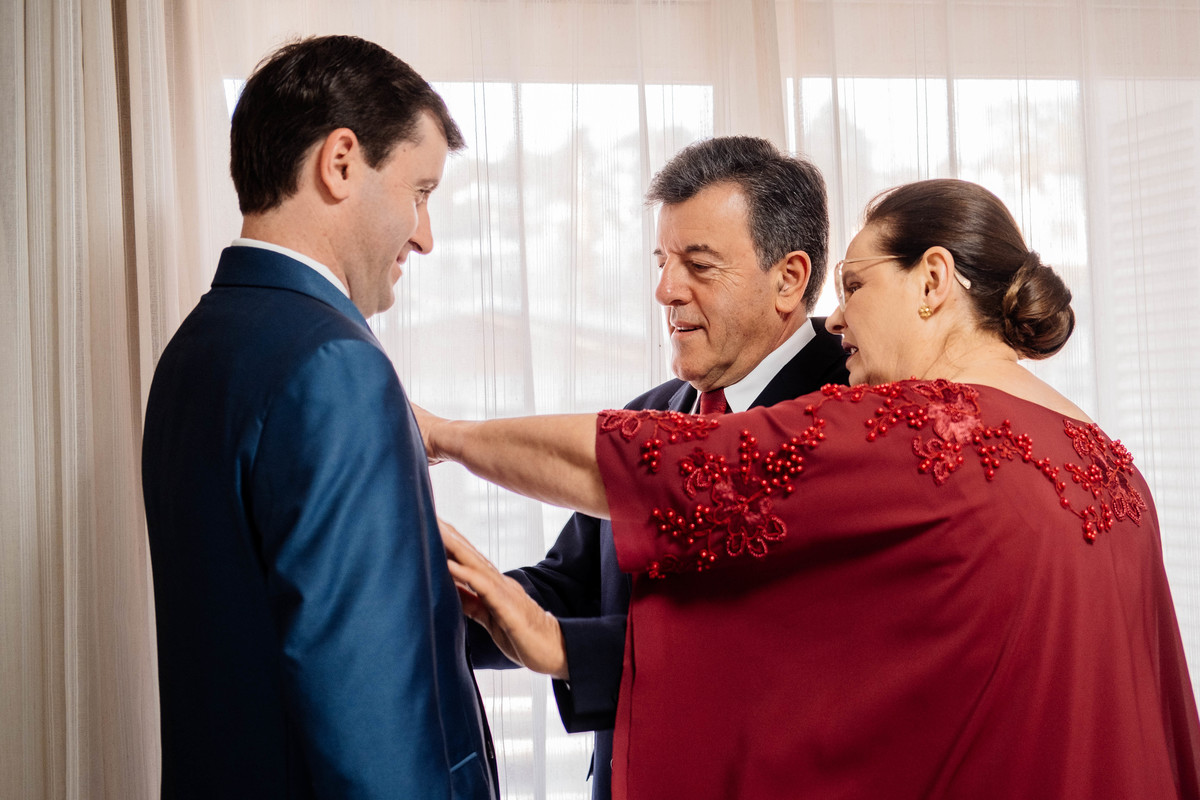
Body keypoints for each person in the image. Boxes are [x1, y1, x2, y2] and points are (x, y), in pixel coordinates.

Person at [422, 178, 1200, 799]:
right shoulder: (1107, 458)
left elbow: (672, 475)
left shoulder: (915, 427)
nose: (837, 319)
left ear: (933, 280)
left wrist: (445, 436)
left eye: (855, 286)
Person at [142, 36, 496, 799]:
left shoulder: (196, 349)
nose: (426, 237)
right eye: (421, 191)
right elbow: (371, 726)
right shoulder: (336, 367)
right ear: (340, 163)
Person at [465, 136, 847, 799]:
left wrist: (561, 646)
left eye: (698, 264)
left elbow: (781, 645)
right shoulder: (651, 414)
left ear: (789, 279)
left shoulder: (861, 416)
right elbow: (567, 587)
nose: (665, 290)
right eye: (663, 261)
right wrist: (420, 606)